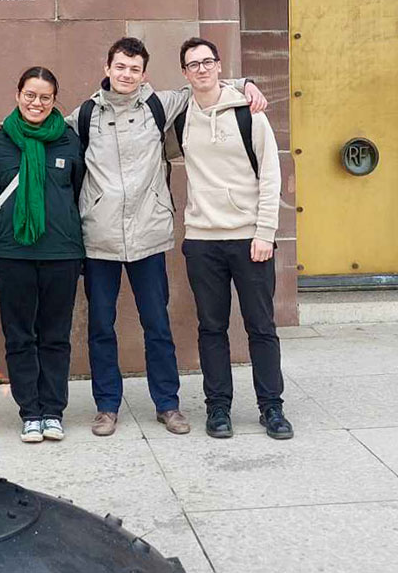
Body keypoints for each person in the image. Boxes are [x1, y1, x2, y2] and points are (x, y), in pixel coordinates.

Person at [66, 37, 267, 437]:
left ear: (144, 74)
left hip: (148, 235)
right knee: (101, 327)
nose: (126, 75)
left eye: (134, 69)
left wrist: (247, 82)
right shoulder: (85, 114)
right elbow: (45, 128)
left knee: (156, 323)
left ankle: (167, 404)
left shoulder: (160, 105)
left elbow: (204, 83)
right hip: (100, 237)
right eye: (120, 67)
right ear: (107, 68)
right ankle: (107, 406)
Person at [176, 36, 291, 440]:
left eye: (208, 62)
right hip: (202, 240)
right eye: (193, 64)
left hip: (249, 239)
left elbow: (271, 175)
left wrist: (265, 232)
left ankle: (271, 408)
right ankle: (218, 409)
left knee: (261, 326)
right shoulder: (179, 116)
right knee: (211, 328)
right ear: (185, 73)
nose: (202, 69)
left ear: (220, 66)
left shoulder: (248, 111)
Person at [0, 67, 84, 443]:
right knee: (20, 335)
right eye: (30, 94)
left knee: (56, 335)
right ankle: (30, 412)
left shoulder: (69, 141)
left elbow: (77, 190)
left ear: (55, 100)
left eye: (44, 97)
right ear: (17, 94)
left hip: (61, 252)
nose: (36, 103)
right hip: (12, 254)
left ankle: (53, 410)